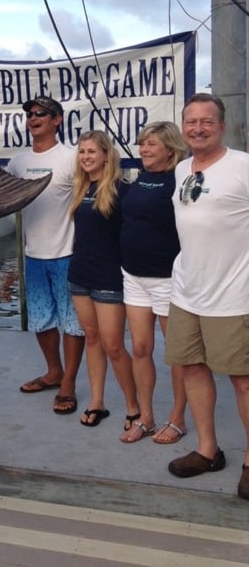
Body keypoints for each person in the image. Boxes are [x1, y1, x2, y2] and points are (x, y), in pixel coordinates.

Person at [165, 93, 249, 499]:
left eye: (207, 121)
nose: (198, 128)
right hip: (186, 292)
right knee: (192, 368)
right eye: (191, 121)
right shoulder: (182, 168)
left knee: (244, 382)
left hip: (235, 296)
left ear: (222, 126)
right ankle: (207, 449)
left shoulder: (243, 167)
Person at [7, 96, 85, 415]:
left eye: (41, 113)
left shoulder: (72, 157)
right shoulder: (18, 162)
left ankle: (68, 384)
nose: (34, 117)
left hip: (68, 254)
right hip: (34, 257)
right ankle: (53, 372)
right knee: (41, 320)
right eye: (29, 114)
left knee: (73, 324)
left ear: (57, 120)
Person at [120, 122, 188, 444]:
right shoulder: (141, 178)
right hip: (133, 275)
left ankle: (177, 419)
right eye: (143, 144)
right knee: (141, 348)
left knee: (176, 353)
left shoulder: (180, 181)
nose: (144, 150)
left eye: (152, 145)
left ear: (170, 150)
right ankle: (146, 417)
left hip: (168, 278)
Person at [68, 130, 139, 430]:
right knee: (92, 338)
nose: (86, 157)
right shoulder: (80, 187)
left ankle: (135, 408)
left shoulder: (122, 190)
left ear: (106, 155)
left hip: (109, 277)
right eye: (82, 151)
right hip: (80, 274)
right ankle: (97, 401)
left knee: (113, 345)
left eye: (92, 152)